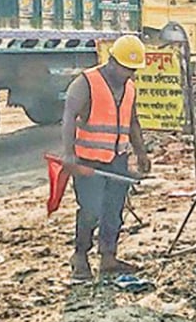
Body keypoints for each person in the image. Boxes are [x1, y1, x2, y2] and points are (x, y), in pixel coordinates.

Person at [61, 34, 152, 280]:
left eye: (132, 70)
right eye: (125, 68)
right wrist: (68, 153)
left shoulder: (130, 88)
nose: (128, 74)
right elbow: (69, 116)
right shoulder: (86, 83)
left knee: (114, 210)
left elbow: (132, 121)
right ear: (112, 61)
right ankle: (79, 256)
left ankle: (108, 257)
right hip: (88, 160)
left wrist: (141, 152)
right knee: (90, 210)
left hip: (117, 160)